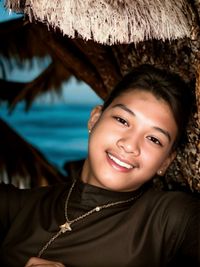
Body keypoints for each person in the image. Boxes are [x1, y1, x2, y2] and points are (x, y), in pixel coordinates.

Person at [0, 64, 199, 267]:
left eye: (154, 139)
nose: (130, 145)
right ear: (95, 119)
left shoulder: (173, 219)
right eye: (122, 120)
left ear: (166, 161)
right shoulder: (17, 206)